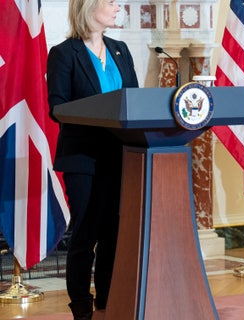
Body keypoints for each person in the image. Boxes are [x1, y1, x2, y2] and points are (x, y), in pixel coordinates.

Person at [47, 0, 138, 318]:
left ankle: (107, 299)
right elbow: (57, 107)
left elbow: (134, 101)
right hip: (82, 158)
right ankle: (81, 306)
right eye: (111, 2)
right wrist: (98, 113)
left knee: (114, 232)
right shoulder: (63, 53)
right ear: (89, 7)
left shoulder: (120, 50)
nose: (117, 7)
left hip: (121, 156)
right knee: (86, 233)